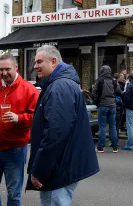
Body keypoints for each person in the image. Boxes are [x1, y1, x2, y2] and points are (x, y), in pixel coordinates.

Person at [27, 45, 99, 206]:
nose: (35, 66)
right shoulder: (59, 84)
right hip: (58, 165)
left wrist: (39, 170)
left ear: (53, 61)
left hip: (58, 167)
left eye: (39, 62)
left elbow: (55, 133)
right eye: (35, 62)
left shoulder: (59, 87)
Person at [0, 54, 39, 206]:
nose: (4, 73)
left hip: (15, 149)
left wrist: (19, 118)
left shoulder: (29, 90)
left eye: (7, 69)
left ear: (16, 67)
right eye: (1, 69)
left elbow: (37, 118)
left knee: (13, 194)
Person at [92, 65, 118, 153]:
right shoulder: (114, 81)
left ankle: (101, 147)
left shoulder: (99, 80)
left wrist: (97, 102)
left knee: (102, 127)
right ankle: (115, 147)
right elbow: (117, 92)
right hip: (112, 105)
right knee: (113, 126)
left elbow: (94, 93)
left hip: (102, 105)